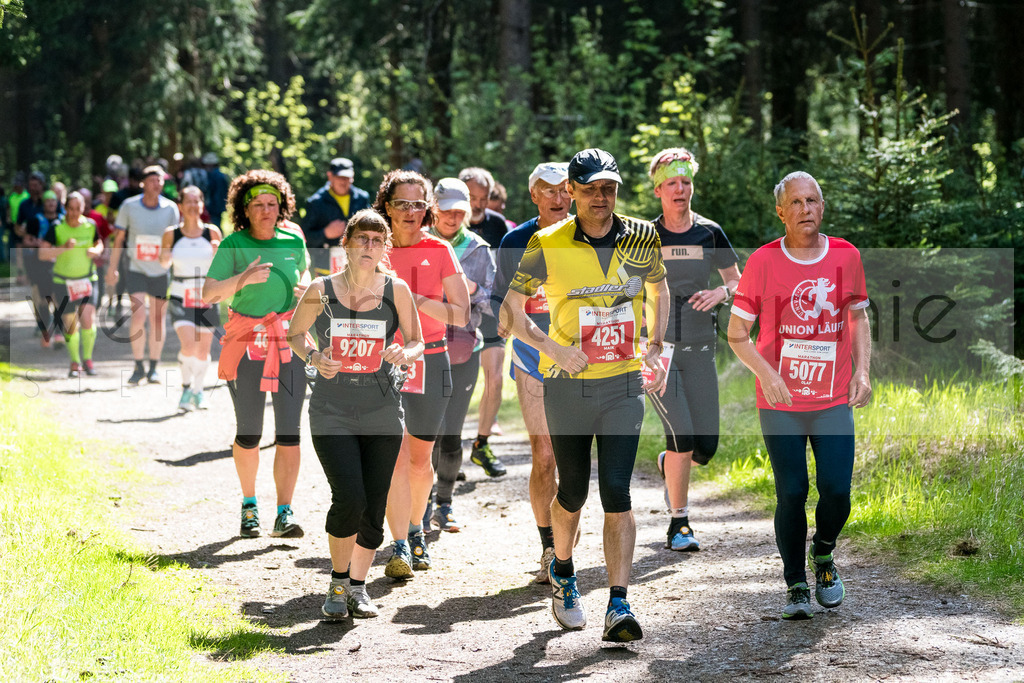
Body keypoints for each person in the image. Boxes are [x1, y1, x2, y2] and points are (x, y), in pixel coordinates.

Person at [501, 148, 668, 643]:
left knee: (617, 491)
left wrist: (655, 347)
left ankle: (619, 603)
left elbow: (661, 293)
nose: (602, 196)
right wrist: (552, 346)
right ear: (569, 192)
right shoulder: (545, 241)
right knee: (571, 490)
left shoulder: (641, 235)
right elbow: (511, 310)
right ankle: (565, 573)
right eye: (591, 188)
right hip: (567, 382)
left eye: (609, 187)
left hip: (621, 381)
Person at [727, 171, 872, 620]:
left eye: (813, 201)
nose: (806, 209)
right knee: (791, 491)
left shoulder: (846, 256)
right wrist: (767, 374)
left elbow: (858, 320)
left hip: (831, 399)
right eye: (797, 202)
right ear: (781, 211)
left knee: (837, 491)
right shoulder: (763, 263)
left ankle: (824, 554)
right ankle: (795, 585)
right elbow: (736, 335)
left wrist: (863, 372)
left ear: (822, 207)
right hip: (781, 401)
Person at [287, 208, 424, 620]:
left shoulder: (396, 290)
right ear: (346, 243)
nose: (369, 246)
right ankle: (337, 581)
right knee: (348, 497)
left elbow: (417, 341)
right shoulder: (322, 288)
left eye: (377, 240)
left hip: (382, 405)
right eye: (362, 238)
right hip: (332, 406)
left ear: (386, 247)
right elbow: (295, 333)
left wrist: (405, 352)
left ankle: (358, 588)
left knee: (374, 502)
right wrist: (313, 355)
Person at [371, 169, 469, 579]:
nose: (410, 212)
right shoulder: (373, 247)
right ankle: (400, 543)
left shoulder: (441, 249)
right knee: (392, 458)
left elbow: (461, 313)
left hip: (430, 360)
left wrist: (417, 301)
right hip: (381, 362)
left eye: (418, 203)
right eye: (401, 204)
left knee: (418, 458)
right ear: (387, 207)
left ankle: (416, 530)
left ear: (427, 208)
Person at [203, 170, 311, 539]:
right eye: (258, 205)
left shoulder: (293, 237)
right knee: (249, 431)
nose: (266, 211)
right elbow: (209, 293)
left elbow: (305, 273)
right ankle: (249, 506)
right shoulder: (233, 245)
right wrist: (242, 280)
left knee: (290, 431)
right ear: (244, 209)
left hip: (289, 341)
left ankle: (284, 512)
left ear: (281, 207)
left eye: (272, 204)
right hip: (247, 341)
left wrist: (305, 289)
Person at [643, 148, 741, 552]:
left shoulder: (710, 232)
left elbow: (739, 281)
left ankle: (671, 467)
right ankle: (679, 523)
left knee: (706, 447)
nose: (680, 190)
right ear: (658, 190)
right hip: (658, 351)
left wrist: (722, 291)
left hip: (701, 347)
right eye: (672, 183)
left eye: (686, 182)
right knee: (680, 434)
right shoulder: (644, 235)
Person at [492, 161, 571, 582]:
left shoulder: (590, 234)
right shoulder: (515, 240)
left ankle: (565, 548)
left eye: (565, 191)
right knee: (544, 455)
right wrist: (505, 317)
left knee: (570, 459)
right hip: (532, 355)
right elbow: (502, 300)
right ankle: (548, 551)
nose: (559, 199)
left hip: (581, 358)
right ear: (534, 196)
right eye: (549, 191)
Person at [427, 178, 495, 533]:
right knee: (424, 431)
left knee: (451, 432)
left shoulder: (478, 249)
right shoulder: (418, 242)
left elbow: (493, 300)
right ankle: (420, 503)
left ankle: (445, 504)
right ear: (433, 208)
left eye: (459, 211)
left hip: (464, 346)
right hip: (422, 346)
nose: (452, 218)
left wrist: (472, 289)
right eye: (446, 210)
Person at [105, 165, 180, 385]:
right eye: (153, 180)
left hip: (160, 270)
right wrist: (112, 268)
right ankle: (138, 365)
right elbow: (119, 239)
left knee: (157, 319)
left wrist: (175, 264)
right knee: (138, 315)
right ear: (143, 183)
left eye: (161, 181)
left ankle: (154, 367)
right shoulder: (129, 206)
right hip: (136, 268)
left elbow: (174, 241)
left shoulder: (171, 208)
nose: (158, 184)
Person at [458, 166, 508, 476]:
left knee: (495, 377)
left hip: (490, 308)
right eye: (471, 197)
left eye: (483, 198)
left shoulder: (499, 226)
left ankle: (481, 444)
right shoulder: (445, 223)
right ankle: (447, 448)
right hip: (456, 312)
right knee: (458, 382)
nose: (477, 204)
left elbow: (507, 271)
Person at [159, 186, 223, 410]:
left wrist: (218, 252)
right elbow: (163, 264)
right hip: (179, 293)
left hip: (207, 294)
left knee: (203, 349)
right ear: (181, 206)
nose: (193, 206)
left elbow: (224, 266)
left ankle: (198, 391)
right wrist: (165, 255)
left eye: (197, 201)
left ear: (202, 205)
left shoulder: (212, 232)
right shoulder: (171, 233)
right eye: (189, 202)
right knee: (188, 345)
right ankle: (186, 388)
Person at [38, 192, 103, 376]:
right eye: (71, 209)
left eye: (78, 209)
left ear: (83, 208)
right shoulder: (57, 227)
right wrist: (63, 248)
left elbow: (100, 244)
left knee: (88, 319)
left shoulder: (90, 225)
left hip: (87, 279)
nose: (74, 213)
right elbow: (42, 254)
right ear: (65, 208)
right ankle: (75, 363)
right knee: (70, 324)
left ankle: (88, 360)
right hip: (63, 282)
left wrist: (95, 251)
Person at [301, 157, 372, 277]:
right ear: (330, 176)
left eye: (347, 178)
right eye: (340, 177)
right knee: (325, 296)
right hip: (325, 266)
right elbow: (305, 238)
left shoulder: (362, 198)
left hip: (356, 263)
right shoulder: (316, 202)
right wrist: (325, 234)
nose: (344, 182)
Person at [20, 188, 65, 346]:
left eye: (53, 200)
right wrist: (37, 244)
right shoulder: (35, 220)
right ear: (44, 203)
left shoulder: (63, 219)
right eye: (48, 201)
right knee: (44, 301)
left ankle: (59, 332)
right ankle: (46, 331)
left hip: (60, 266)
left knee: (58, 299)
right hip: (40, 266)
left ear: (57, 202)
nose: (51, 203)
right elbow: (25, 240)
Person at [202, 152, 230, 228]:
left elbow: (218, 193)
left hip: (214, 209)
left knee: (214, 228)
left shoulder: (215, 175)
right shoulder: (219, 175)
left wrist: (211, 207)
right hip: (216, 208)